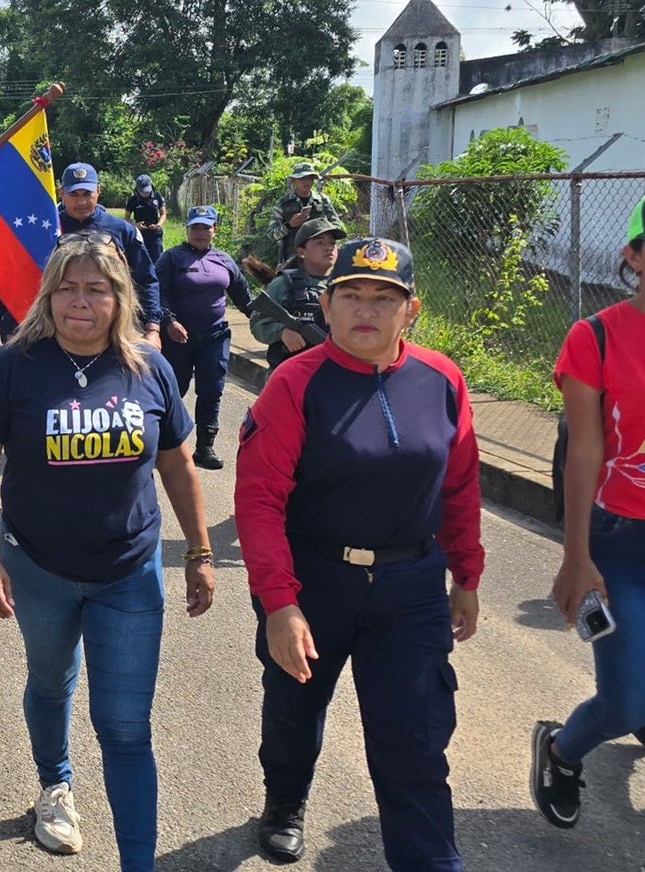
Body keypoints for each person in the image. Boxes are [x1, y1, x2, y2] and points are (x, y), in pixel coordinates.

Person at [0, 235, 214, 867]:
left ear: (118, 297)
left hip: (128, 572)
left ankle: (138, 861)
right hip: (37, 567)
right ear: (49, 294)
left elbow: (179, 467)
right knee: (52, 681)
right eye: (68, 288)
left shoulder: (148, 367)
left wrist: (201, 552)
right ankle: (55, 785)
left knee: (126, 728)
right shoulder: (16, 363)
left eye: (96, 289)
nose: (81, 301)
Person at [234, 236, 483, 869]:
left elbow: (459, 484)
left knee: (415, 746)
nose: (365, 310)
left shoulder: (442, 379)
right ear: (327, 304)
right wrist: (279, 603)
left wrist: (467, 574)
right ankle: (285, 800)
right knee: (295, 710)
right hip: (316, 582)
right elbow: (259, 501)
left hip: (410, 588)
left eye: (384, 297)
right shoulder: (295, 383)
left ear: (412, 310)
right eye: (351, 295)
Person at [532, 189, 645, 872]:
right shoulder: (597, 336)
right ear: (633, 256)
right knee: (631, 700)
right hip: (626, 544)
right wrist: (575, 556)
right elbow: (583, 454)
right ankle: (561, 749)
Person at [154, 207, 253, 470]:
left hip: (214, 337)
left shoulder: (224, 260)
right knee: (174, 390)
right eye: (195, 228)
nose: (200, 233)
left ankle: (204, 448)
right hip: (177, 339)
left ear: (214, 230)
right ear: (187, 230)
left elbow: (244, 298)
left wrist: (266, 322)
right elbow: (157, 294)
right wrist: (169, 320)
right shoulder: (171, 258)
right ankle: (161, 442)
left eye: (205, 228)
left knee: (212, 391)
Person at [57, 163, 162, 348]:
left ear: (98, 190)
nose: (81, 202)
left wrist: (152, 328)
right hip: (57, 329)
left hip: (111, 332)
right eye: (74, 195)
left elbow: (145, 279)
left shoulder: (123, 231)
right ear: (61, 193)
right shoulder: (48, 230)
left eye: (87, 194)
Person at [251, 219, 343, 372]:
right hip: (288, 374)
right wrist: (282, 332)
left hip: (332, 374)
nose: (328, 248)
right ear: (301, 252)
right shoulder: (284, 284)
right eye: (319, 243)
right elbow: (257, 323)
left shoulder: (346, 285)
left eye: (332, 243)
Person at [266, 162, 339, 265]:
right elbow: (271, 234)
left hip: (319, 257)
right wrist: (289, 225)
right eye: (302, 178)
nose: (306, 182)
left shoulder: (322, 200)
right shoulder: (283, 203)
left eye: (310, 178)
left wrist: (325, 232)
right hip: (292, 259)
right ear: (294, 181)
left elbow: (337, 225)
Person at [123, 175, 166, 260]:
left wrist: (158, 225)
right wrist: (135, 225)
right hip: (139, 233)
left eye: (147, 190)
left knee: (157, 259)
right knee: (140, 259)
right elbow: (126, 218)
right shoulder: (133, 200)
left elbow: (163, 214)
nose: (145, 193)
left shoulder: (157, 196)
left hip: (155, 233)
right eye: (142, 191)